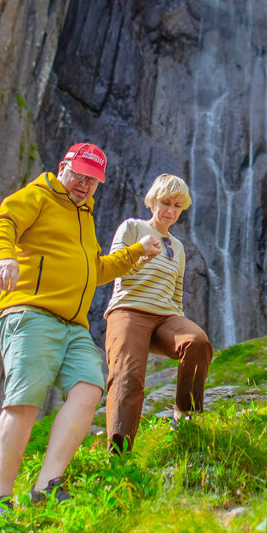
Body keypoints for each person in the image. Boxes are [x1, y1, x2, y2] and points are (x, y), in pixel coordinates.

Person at [0, 142, 157, 514]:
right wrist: (6, 256)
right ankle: (0, 500)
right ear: (64, 166)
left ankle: (47, 485)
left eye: (93, 180)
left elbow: (96, 271)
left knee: (89, 388)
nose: (84, 184)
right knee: (24, 401)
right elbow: (3, 223)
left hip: (73, 326)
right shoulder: (40, 195)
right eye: (79, 174)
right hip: (31, 312)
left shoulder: (85, 216)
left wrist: (137, 251)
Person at [102, 174, 213, 452]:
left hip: (165, 317)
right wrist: (141, 255)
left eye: (177, 206)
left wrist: (177, 322)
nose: (170, 211)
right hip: (129, 310)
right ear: (152, 201)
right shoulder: (132, 228)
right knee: (128, 376)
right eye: (165, 202)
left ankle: (186, 420)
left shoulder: (178, 248)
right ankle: (118, 454)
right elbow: (115, 269)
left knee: (197, 342)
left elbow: (177, 292)